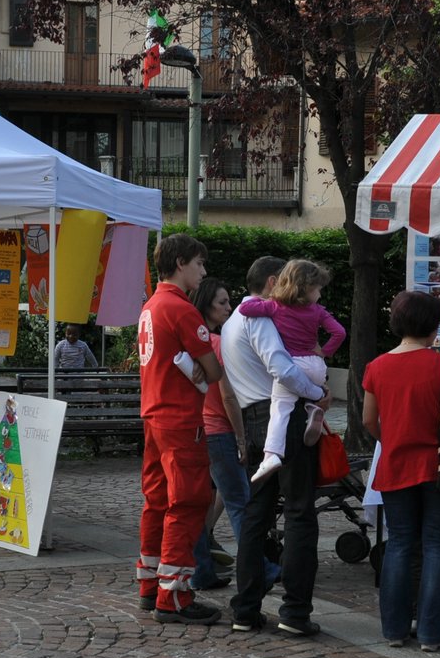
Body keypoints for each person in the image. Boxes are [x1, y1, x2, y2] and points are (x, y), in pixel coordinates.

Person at [362, 290, 440, 652]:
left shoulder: (377, 366)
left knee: (398, 544)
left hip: (396, 466)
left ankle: (394, 630)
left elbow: (369, 420)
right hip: (439, 468)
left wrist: (394, 439)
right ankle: (431, 633)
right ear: (434, 326)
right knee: (437, 546)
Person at [226, 256, 332, 637]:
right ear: (274, 282)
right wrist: (318, 392)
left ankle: (246, 608)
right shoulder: (263, 318)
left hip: (255, 418)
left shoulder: (234, 318)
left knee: (257, 513)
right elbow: (282, 368)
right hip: (285, 419)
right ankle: (295, 612)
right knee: (301, 512)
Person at [135, 234, 228, 623]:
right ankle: (173, 596)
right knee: (188, 502)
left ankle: (149, 584)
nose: (203, 271)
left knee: (156, 500)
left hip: (154, 415)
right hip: (180, 419)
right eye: (198, 264)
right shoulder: (181, 309)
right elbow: (214, 370)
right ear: (179, 264)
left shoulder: (151, 305)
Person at [236, 259, 346, 483]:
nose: (320, 295)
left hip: (294, 363)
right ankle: (313, 410)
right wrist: (324, 353)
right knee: (304, 395)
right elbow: (340, 333)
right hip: (316, 365)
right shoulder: (318, 311)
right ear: (306, 288)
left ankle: (271, 455)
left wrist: (273, 300)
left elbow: (245, 308)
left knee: (280, 408)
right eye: (318, 289)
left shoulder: (276, 306)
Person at [187, 277, 257, 591]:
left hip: (198, 430)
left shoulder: (190, 341)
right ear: (206, 305)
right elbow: (228, 397)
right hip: (219, 431)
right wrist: (241, 438)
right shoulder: (216, 343)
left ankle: (202, 571)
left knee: (202, 505)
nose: (229, 308)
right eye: (223, 302)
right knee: (240, 503)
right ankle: (258, 570)